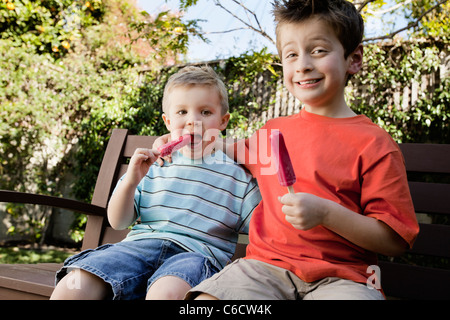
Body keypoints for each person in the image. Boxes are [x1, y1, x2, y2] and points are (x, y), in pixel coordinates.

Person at [185, 0, 419, 300]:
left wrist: (326, 213)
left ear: (354, 59)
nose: (303, 64)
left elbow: (394, 239)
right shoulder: (273, 132)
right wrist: (197, 139)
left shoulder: (375, 145)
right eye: (291, 54)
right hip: (264, 269)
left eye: (318, 50)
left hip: (345, 278)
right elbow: (229, 147)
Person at [50, 66, 261, 300]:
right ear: (168, 121)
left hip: (196, 257)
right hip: (137, 248)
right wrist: (132, 180)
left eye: (205, 112)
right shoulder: (153, 164)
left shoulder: (238, 176)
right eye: (182, 112)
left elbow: (262, 228)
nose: (192, 121)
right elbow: (118, 222)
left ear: (223, 121)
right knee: (73, 284)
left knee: (166, 292)